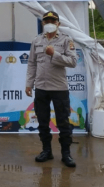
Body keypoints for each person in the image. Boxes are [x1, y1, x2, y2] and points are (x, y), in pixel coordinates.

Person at [25, 11, 77, 167]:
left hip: (59, 88)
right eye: (46, 21)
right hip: (41, 87)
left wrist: (55, 54)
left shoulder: (66, 40)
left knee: (63, 122)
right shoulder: (36, 40)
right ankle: (46, 151)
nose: (49, 23)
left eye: (52, 21)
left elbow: (73, 61)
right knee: (42, 121)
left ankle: (66, 154)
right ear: (42, 23)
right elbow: (32, 63)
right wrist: (29, 83)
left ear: (58, 24)